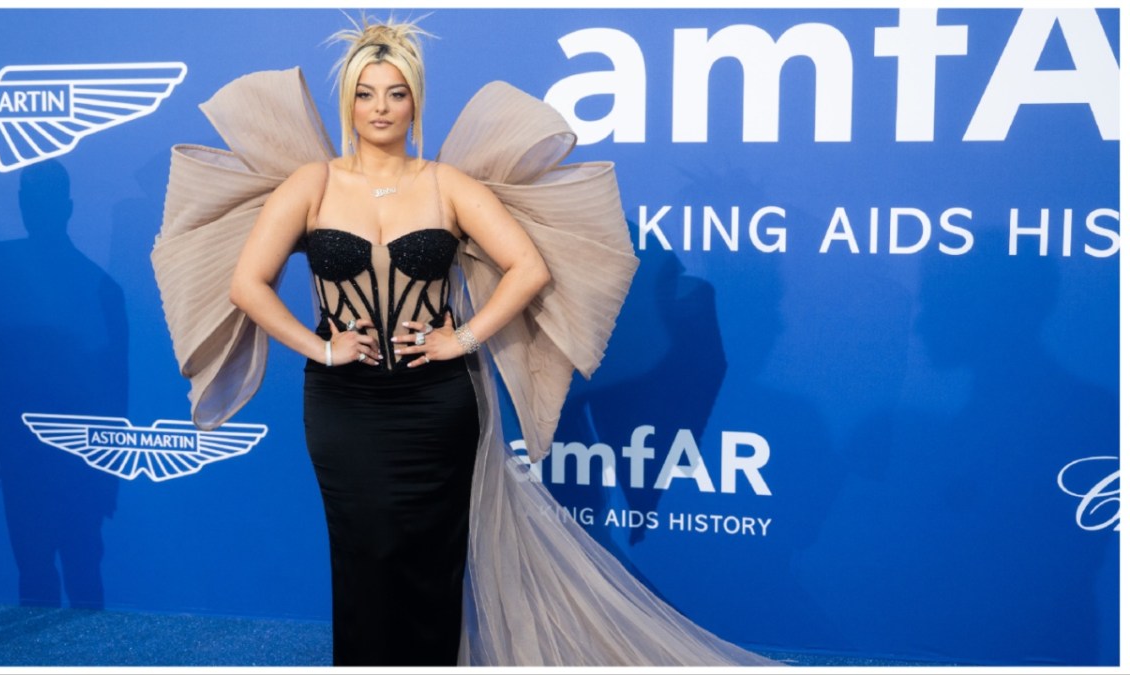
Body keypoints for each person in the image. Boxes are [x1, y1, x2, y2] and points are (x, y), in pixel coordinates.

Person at [154, 15, 777, 667]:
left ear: (415, 99)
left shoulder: (447, 185)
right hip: (344, 405)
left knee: (431, 562)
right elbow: (247, 285)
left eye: (395, 93)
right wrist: (322, 348)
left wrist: (466, 336)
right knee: (363, 556)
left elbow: (528, 268)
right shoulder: (311, 184)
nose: (380, 107)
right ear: (349, 102)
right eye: (366, 93)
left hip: (437, 403)